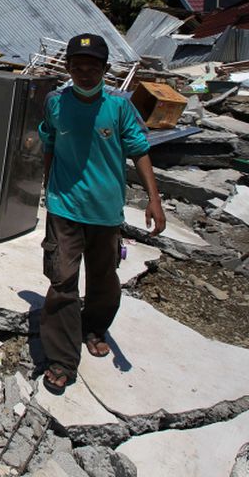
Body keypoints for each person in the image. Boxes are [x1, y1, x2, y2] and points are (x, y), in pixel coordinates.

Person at [37, 33, 165, 394]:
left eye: (93, 67)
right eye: (77, 66)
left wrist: (154, 200)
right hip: (64, 206)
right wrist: (48, 187)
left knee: (104, 279)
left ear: (106, 70)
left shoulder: (119, 107)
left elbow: (140, 151)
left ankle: (93, 328)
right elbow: (48, 142)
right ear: (67, 68)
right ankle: (62, 360)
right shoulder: (55, 103)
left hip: (106, 211)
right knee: (62, 281)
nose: (85, 73)